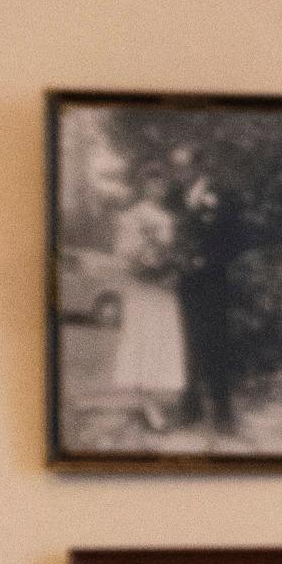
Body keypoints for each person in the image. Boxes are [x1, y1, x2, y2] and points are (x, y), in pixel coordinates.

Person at [107, 167, 188, 435]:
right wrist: (141, 260)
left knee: (162, 339)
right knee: (143, 338)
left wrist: (167, 265)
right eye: (153, 183)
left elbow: (174, 252)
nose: (158, 188)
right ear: (144, 186)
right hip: (141, 288)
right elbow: (123, 252)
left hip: (163, 288)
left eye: (162, 183)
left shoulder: (168, 218)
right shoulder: (133, 216)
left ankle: (155, 402)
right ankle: (148, 404)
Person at [175, 163, 247, 435]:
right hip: (186, 284)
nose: (185, 172)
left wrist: (212, 261)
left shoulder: (224, 195)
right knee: (188, 344)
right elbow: (175, 236)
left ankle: (222, 412)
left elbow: (238, 239)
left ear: (201, 167)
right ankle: (190, 407)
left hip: (215, 283)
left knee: (217, 345)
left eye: (189, 166)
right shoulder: (177, 197)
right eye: (181, 168)